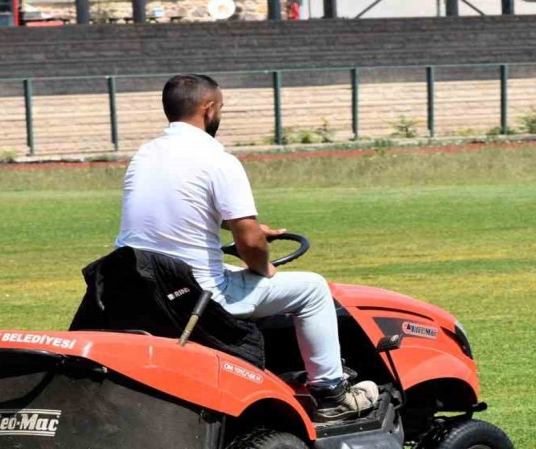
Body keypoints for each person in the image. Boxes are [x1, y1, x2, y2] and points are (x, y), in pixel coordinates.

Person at [114, 74, 379, 422]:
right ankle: (332, 394)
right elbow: (250, 242)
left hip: (142, 287)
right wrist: (260, 262)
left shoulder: (145, 156)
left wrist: (251, 230)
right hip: (200, 296)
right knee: (312, 289)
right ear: (208, 109)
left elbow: (182, 210)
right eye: (220, 108)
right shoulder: (217, 159)